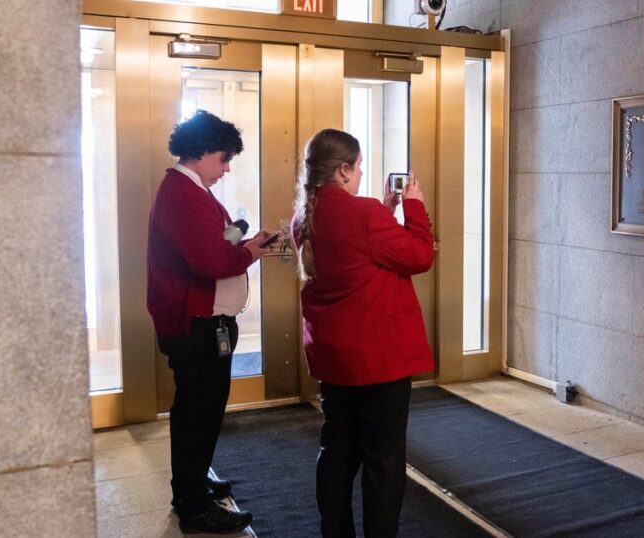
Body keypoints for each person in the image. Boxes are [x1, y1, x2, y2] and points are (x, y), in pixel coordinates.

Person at [291, 128, 435, 537]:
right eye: (356, 168)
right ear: (342, 170)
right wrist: (415, 209)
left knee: (337, 452)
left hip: (335, 358)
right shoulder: (365, 213)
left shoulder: (306, 215)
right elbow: (419, 256)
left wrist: (386, 211)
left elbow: (357, 255)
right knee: (383, 461)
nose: (359, 176)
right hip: (379, 360)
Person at [147, 110, 280, 534]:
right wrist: (250, 253)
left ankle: (195, 478)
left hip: (203, 320)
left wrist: (244, 243)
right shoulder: (184, 194)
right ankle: (194, 505)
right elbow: (209, 260)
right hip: (195, 323)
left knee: (200, 408)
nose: (225, 169)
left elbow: (212, 245)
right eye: (223, 159)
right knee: (197, 412)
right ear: (202, 152)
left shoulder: (190, 191)